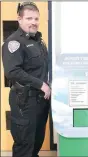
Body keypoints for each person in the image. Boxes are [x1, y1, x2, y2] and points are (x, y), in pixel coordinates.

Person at [2, 2, 51, 157]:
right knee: (25, 147)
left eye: (36, 19)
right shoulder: (14, 42)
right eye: (29, 18)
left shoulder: (38, 41)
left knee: (36, 143)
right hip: (25, 102)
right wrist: (41, 84)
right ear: (20, 19)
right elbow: (13, 72)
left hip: (40, 101)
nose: (33, 22)